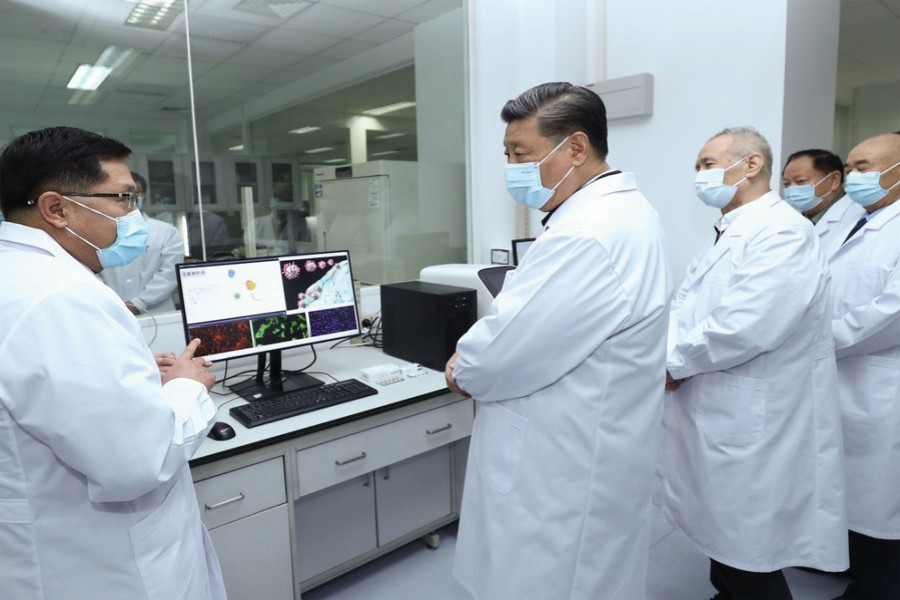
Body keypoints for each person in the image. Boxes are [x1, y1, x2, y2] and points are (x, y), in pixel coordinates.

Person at [445, 82, 672, 599]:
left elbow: (505, 351)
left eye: (520, 154)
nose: (512, 168)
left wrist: (463, 364)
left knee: (551, 581)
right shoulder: (624, 214)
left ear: (575, 147)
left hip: (560, 467)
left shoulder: (587, 233)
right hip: (594, 448)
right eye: (506, 154)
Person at [0, 126, 226, 600]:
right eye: (124, 199)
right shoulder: (60, 299)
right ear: (56, 208)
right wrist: (187, 386)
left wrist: (141, 382)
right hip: (104, 569)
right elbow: (139, 460)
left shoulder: (20, 277)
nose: (134, 215)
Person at [664, 127, 849, 600]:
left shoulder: (782, 232)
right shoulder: (732, 230)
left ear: (750, 165)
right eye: (698, 167)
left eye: (708, 163)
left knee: (747, 547)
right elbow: (690, 309)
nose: (700, 175)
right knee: (724, 539)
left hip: (751, 417)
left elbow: (746, 325)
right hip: (718, 407)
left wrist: (672, 363)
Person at [829, 132, 900, 600]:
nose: (852, 177)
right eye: (851, 168)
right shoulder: (852, 220)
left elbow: (889, 313)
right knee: (851, 500)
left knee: (880, 506)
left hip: (881, 387)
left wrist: (810, 342)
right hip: (839, 379)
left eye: (863, 167)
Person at [99, 171, 184, 313]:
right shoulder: (98, 232)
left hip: (158, 313)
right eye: (123, 193)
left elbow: (169, 275)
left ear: (144, 196)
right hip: (112, 311)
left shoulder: (166, 232)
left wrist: (138, 303)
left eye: (135, 193)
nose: (130, 198)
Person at [782, 148, 865, 259]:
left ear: (834, 180)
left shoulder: (859, 217)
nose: (792, 189)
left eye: (801, 181)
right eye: (786, 184)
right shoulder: (790, 219)